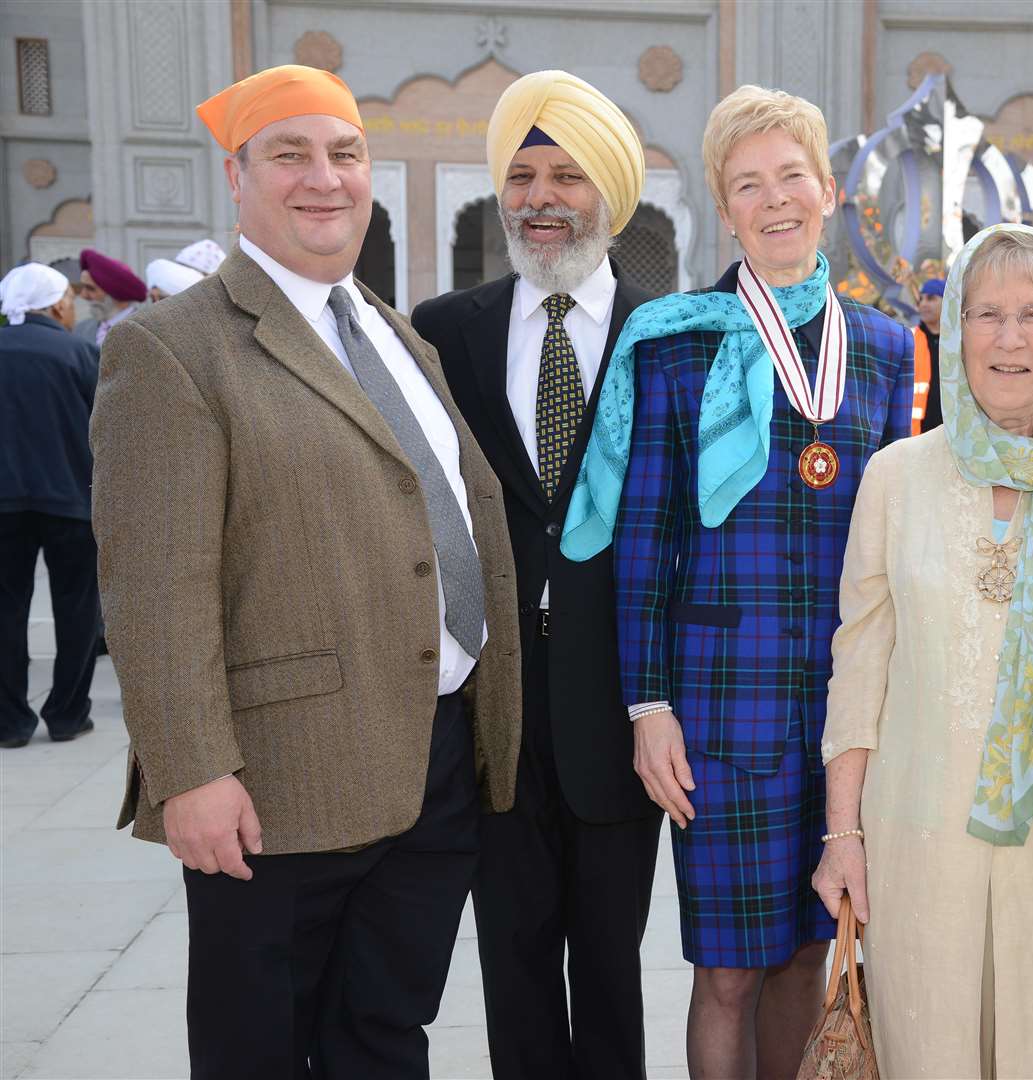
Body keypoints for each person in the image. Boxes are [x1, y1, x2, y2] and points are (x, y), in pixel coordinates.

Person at [89, 64, 522, 1079]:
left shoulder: (392, 330)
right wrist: (192, 769)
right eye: (290, 155)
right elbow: (155, 585)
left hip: (434, 761)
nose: (323, 179)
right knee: (263, 1048)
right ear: (236, 176)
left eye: (344, 154)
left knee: (384, 1035)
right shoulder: (172, 348)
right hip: (283, 784)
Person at [563, 84, 915, 1079]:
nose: (774, 201)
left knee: (814, 950)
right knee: (725, 970)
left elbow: (895, 543)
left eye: (791, 177)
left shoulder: (888, 348)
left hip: (846, 716)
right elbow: (643, 539)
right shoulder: (679, 339)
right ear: (725, 206)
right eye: (748, 184)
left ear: (829, 190)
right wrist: (648, 704)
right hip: (719, 711)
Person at [813, 224, 1033, 1076]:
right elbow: (859, 666)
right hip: (919, 829)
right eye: (987, 313)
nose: (1010, 338)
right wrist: (841, 833)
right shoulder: (896, 476)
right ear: (953, 330)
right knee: (930, 1042)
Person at [410, 70, 662, 1078]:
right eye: (522, 174)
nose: (542, 199)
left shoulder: (668, 337)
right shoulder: (442, 330)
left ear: (609, 192)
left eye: (567, 174)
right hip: (495, 710)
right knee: (511, 966)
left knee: (611, 964)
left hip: (619, 705)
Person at [0, 263, 99, 749]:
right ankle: (67, 714)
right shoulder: (79, 352)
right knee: (78, 608)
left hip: (3, 505)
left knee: (5, 609)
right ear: (58, 304)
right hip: (71, 502)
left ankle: (9, 721)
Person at [74, 248, 144, 346]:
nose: (83, 295)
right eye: (83, 287)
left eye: (90, 288)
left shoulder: (144, 330)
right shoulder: (81, 329)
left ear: (116, 292)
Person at [913, 276, 944, 432]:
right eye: (921, 299)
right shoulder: (909, 340)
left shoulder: (962, 342)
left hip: (952, 434)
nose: (923, 304)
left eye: (931, 298)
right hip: (916, 435)